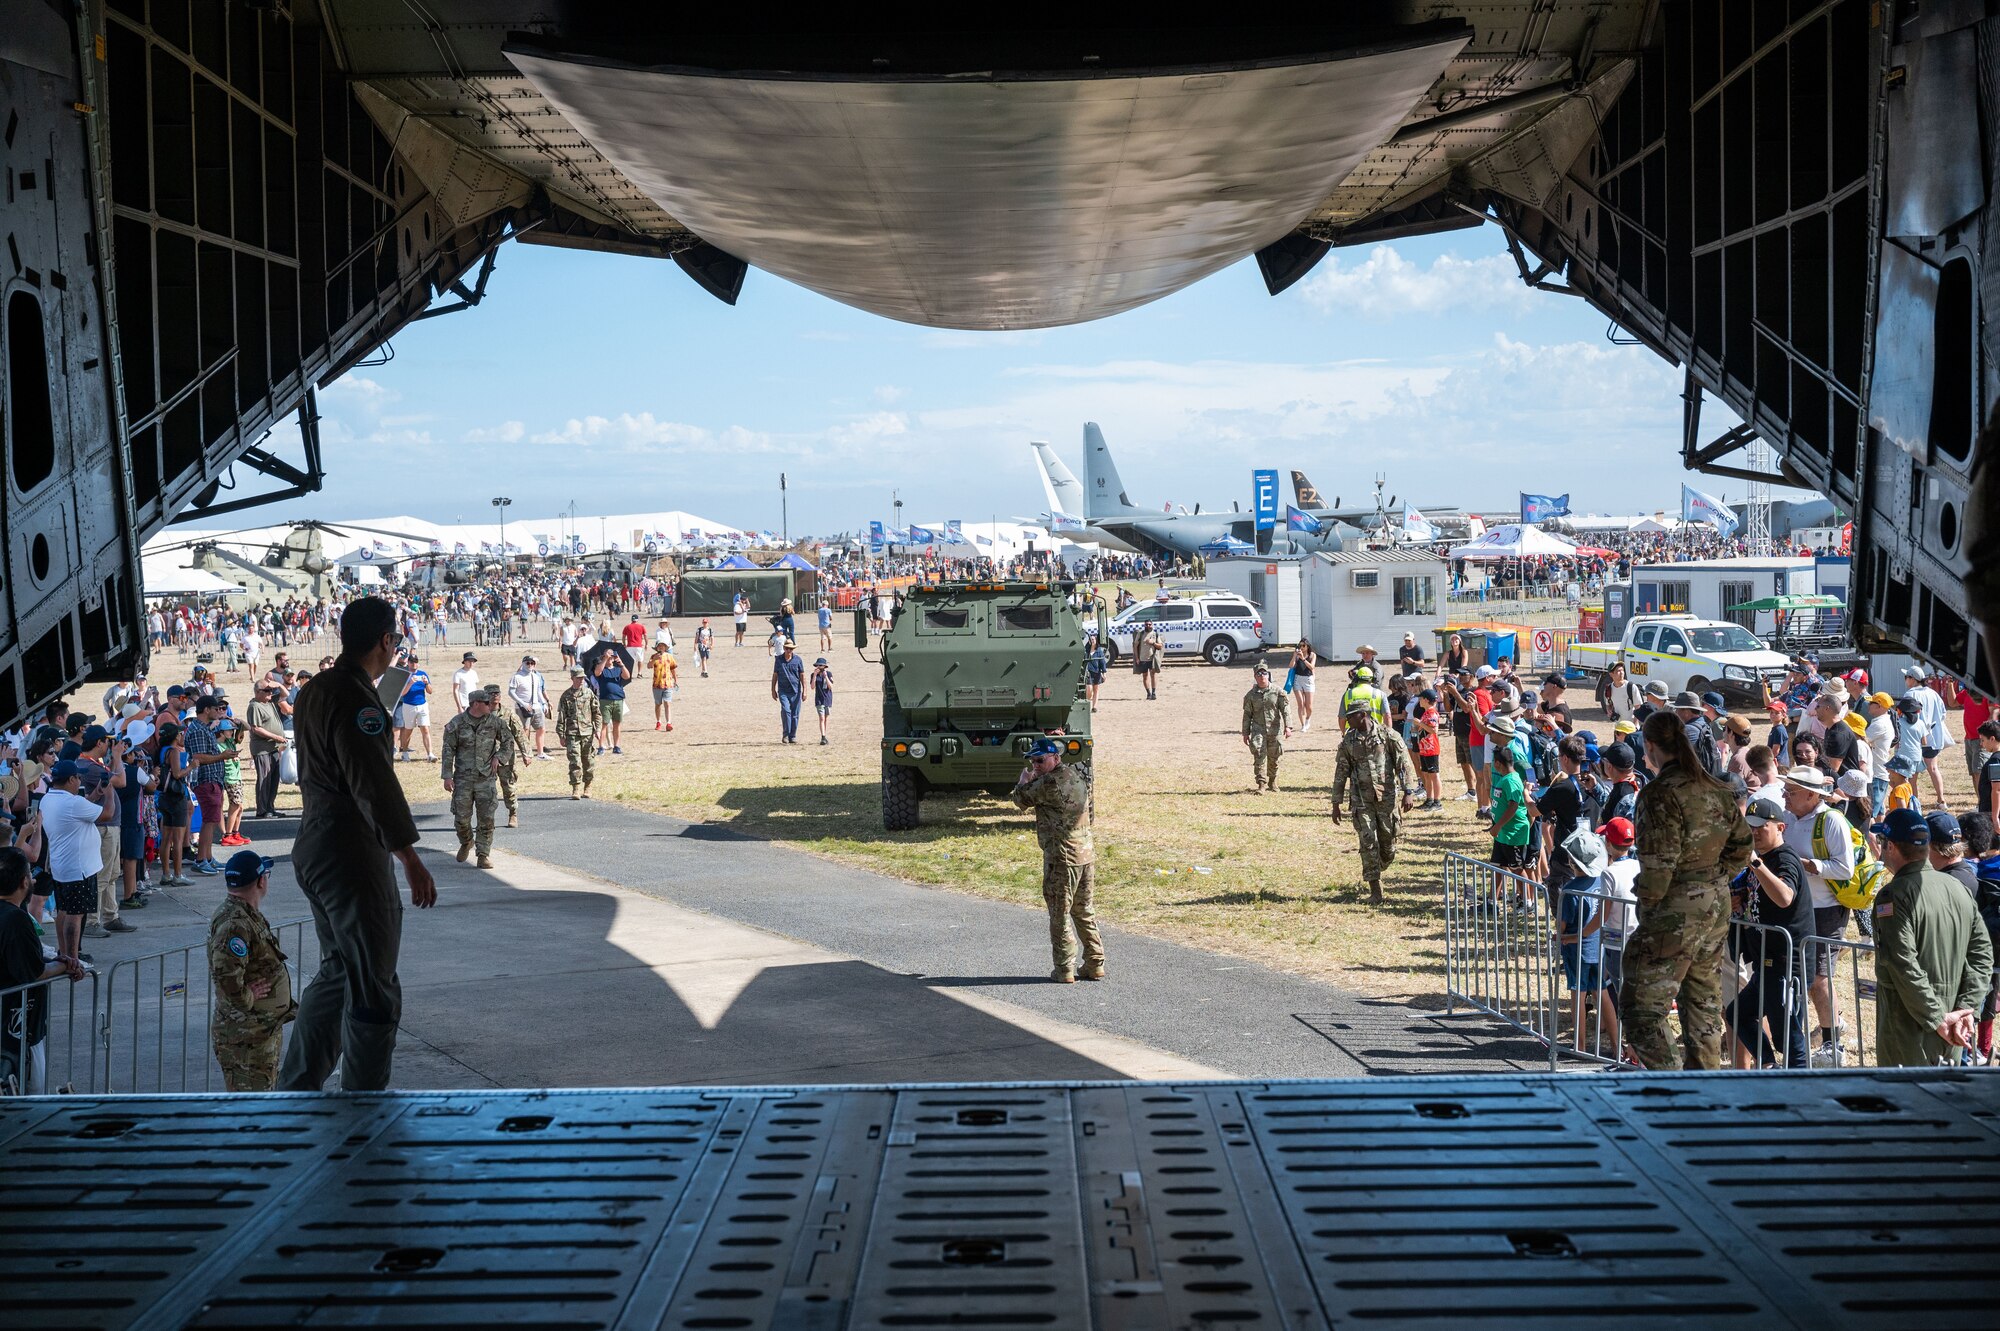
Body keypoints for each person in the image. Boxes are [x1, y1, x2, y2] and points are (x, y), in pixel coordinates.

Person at [276, 597, 434, 1093]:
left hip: (315, 843)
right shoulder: (359, 700)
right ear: (386, 641)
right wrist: (408, 855)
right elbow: (372, 781)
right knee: (372, 985)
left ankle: (297, 1088)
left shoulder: (316, 689)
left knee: (339, 972)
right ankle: (365, 1104)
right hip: (350, 852)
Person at [1620, 709, 1753, 1071]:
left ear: (1649, 745)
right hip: (1714, 904)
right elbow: (1743, 846)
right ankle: (1704, 1091)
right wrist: (1712, 878)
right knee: (1702, 1003)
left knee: (1640, 1009)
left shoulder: (1659, 793)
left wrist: (1650, 908)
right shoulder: (1716, 788)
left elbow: (1658, 866)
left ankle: (1673, 1085)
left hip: (1674, 909)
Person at [1871, 809, 1993, 1066]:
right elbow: (1982, 955)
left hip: (1908, 1029)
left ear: (1890, 846)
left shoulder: (1894, 895)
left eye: (1882, 844)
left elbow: (1901, 963)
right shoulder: (1957, 888)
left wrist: (1938, 1017)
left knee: (1906, 1101)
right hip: (1951, 1028)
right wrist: (1964, 1010)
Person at [1778, 765, 1858, 1064]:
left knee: (1819, 980)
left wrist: (1807, 865)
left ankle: (1831, 1043)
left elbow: (1845, 869)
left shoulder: (1832, 821)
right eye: (1785, 790)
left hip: (1826, 910)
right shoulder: (1786, 817)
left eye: (1792, 792)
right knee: (1799, 977)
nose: (1785, 796)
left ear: (1812, 796)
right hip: (1794, 908)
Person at [1728, 796, 1812, 1068]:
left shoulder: (1784, 858)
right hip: (1766, 961)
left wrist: (1756, 864)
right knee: (1738, 1014)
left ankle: (1799, 1089)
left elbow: (1785, 896)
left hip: (1787, 964)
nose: (1754, 832)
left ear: (1780, 827)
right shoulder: (1761, 860)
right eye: (1750, 827)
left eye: (1761, 827)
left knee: (1787, 1037)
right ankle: (1768, 1065)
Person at [1012, 736, 1102, 983]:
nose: (1036, 765)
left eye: (1040, 760)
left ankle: (1064, 968)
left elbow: (1020, 800)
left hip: (1061, 857)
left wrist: (1022, 782)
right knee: (1083, 910)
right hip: (1084, 854)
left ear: (1055, 758)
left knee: (1059, 913)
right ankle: (1094, 963)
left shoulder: (1048, 784)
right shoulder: (1075, 776)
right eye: (1033, 761)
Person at [207, 850, 296, 1091]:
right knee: (249, 1111)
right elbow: (225, 973)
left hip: (258, 1033)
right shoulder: (234, 922)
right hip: (246, 1038)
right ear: (260, 881)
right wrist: (246, 997)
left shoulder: (243, 914)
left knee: (260, 1103)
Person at [0, 846, 85, 1096]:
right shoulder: (17, 920)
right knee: (27, 1095)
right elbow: (33, 972)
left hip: (13, 1026)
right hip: (17, 1029)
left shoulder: (16, 915)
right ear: (24, 881)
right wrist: (67, 965)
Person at [1329, 700, 1419, 904]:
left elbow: (1403, 764)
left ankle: (1380, 865)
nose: (1348, 719)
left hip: (1386, 799)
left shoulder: (1388, 736)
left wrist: (1408, 791)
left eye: (1351, 716)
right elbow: (1340, 773)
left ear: (1364, 715)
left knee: (1388, 844)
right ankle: (1375, 890)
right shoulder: (1348, 742)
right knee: (1368, 842)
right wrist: (1336, 803)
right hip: (1361, 800)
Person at [440, 687, 505, 868]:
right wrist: (446, 776)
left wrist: (499, 756)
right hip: (463, 778)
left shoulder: (495, 722)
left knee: (487, 818)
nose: (491, 705)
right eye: (487, 703)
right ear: (476, 704)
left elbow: (508, 742)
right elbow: (447, 750)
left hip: (486, 778)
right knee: (461, 817)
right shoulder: (457, 723)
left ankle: (483, 855)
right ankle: (466, 841)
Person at [1902, 664, 1953, 809]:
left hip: (1915, 738)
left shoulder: (1910, 694)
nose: (1905, 680)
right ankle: (1941, 800)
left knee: (1913, 773)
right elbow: (1943, 713)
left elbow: (1906, 716)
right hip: (1933, 737)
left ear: (1912, 679)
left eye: (1906, 677)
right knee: (1933, 768)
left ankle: (1914, 802)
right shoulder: (1933, 693)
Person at [485, 686, 532, 829]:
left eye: (497, 693)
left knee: (509, 786)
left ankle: (513, 813)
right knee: (487, 790)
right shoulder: (481, 714)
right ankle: (488, 818)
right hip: (486, 759)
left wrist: (526, 753)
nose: (495, 696)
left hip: (506, 757)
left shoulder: (508, 714)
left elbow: (520, 734)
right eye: (491, 694)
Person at [1240, 664, 1291, 793]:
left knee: (1274, 757)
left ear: (1268, 675)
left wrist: (1288, 726)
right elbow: (1247, 715)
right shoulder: (1251, 695)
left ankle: (1273, 781)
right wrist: (1245, 733)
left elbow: (1285, 710)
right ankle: (1261, 784)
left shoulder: (1277, 692)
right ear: (1255, 677)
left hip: (1275, 730)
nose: (1262, 676)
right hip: (1258, 730)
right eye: (1259, 674)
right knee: (1259, 756)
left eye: (1264, 673)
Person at [245, 679, 289, 819]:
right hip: (262, 748)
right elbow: (256, 728)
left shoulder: (269, 701)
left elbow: (285, 694)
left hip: (274, 747)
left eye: (271, 690)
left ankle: (270, 807)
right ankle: (262, 810)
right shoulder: (255, 706)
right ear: (258, 692)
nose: (271, 693)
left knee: (274, 779)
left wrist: (279, 685)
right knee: (265, 779)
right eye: (267, 690)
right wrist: (276, 737)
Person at [556, 665, 602, 798]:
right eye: (578, 678)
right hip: (572, 734)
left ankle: (587, 786)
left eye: (583, 678)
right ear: (572, 678)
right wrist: (561, 734)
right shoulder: (566, 696)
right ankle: (575, 788)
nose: (581, 681)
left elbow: (597, 713)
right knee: (574, 761)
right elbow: (561, 717)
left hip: (587, 733)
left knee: (588, 760)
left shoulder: (589, 694)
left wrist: (597, 729)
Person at [508, 654, 549, 758]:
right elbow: (511, 692)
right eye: (528, 663)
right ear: (523, 664)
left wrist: (544, 703)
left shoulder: (536, 676)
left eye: (532, 663)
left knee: (541, 728)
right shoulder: (517, 677)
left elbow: (538, 691)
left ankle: (540, 753)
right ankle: (526, 753)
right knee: (525, 730)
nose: (530, 665)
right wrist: (523, 703)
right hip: (523, 708)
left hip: (536, 707)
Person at [395, 657, 434, 762]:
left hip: (422, 705)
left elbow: (430, 691)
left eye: (416, 662)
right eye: (411, 662)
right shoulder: (404, 675)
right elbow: (402, 693)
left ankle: (430, 754)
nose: (414, 664)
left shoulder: (423, 674)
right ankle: (405, 752)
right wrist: (410, 683)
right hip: (408, 705)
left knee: (425, 729)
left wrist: (426, 683)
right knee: (408, 730)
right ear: (408, 663)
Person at [1410, 688, 1443, 808]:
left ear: (1425, 699)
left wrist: (1420, 724)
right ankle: (1429, 799)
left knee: (1434, 775)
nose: (1419, 700)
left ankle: (1437, 801)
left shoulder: (1432, 713)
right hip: (1424, 747)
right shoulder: (1426, 713)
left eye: (1421, 698)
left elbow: (1434, 730)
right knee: (1426, 774)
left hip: (1431, 748)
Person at [594, 650, 629, 753]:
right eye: (608, 655)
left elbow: (627, 676)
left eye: (611, 656)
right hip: (605, 699)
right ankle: (601, 746)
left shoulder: (618, 670)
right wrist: (605, 659)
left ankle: (616, 746)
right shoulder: (602, 669)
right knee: (604, 724)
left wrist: (621, 664)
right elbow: (597, 672)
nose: (610, 658)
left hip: (618, 699)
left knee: (617, 724)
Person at [772, 638, 806, 743]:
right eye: (787, 648)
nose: (788, 651)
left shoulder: (798, 660)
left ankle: (793, 735)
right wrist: (773, 689)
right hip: (783, 691)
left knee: (795, 714)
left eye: (790, 649)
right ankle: (785, 734)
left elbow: (802, 676)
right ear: (784, 648)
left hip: (796, 691)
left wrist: (805, 691)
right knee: (786, 711)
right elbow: (775, 675)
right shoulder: (778, 660)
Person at [1288, 639, 1317, 731]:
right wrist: (1294, 656)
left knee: (1308, 705)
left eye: (1303, 646)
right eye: (1300, 645)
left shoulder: (1312, 655)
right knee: (1300, 704)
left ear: (1307, 646)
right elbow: (1291, 666)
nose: (1301, 647)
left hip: (1308, 680)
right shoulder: (1297, 655)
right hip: (1297, 679)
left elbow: (1312, 667)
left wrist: (1303, 659)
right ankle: (1303, 724)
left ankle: (1308, 719)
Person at [1975, 719, 2000, 819]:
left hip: (1990, 814)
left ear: (1992, 739)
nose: (1981, 744)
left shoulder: (1995, 761)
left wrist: (1995, 817)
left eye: (1983, 740)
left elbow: (1997, 790)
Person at [1135, 621, 1163, 701]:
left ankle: (1154, 693)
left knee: (1153, 675)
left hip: (1152, 659)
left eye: (1149, 624)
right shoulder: (1140, 634)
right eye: (1146, 624)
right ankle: (1148, 693)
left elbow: (1160, 646)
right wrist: (1136, 658)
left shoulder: (1155, 634)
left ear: (1152, 625)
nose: (1148, 626)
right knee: (1145, 676)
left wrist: (1152, 643)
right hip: (1142, 658)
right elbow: (1135, 646)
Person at [1084, 636, 1107, 712]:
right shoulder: (1086, 650)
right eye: (1091, 639)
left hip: (1096, 672)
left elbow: (1102, 662)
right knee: (1089, 689)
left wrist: (1104, 672)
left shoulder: (1099, 651)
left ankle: (1094, 707)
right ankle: (1087, 703)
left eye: (1093, 639)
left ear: (1096, 640)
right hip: (1088, 672)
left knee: (1096, 689)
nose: (1092, 640)